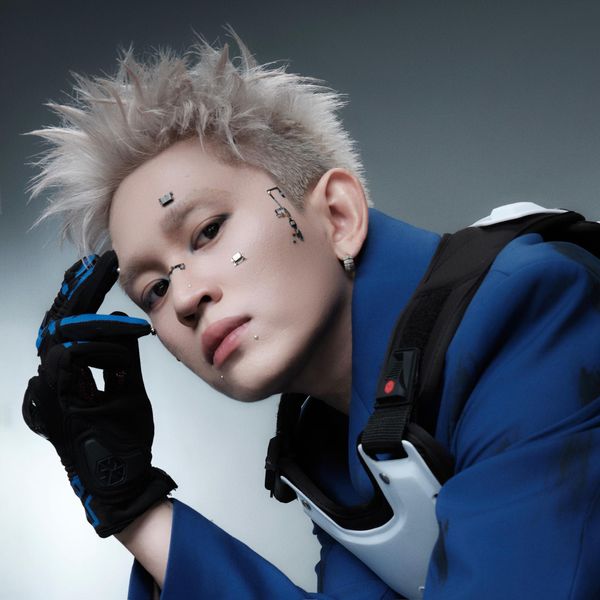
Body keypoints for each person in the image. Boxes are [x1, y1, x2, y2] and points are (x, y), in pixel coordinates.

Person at [24, 33, 600, 599]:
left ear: (339, 215)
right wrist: (135, 510)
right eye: (153, 290)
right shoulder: (331, 442)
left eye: (208, 231)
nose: (184, 299)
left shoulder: (528, 312)